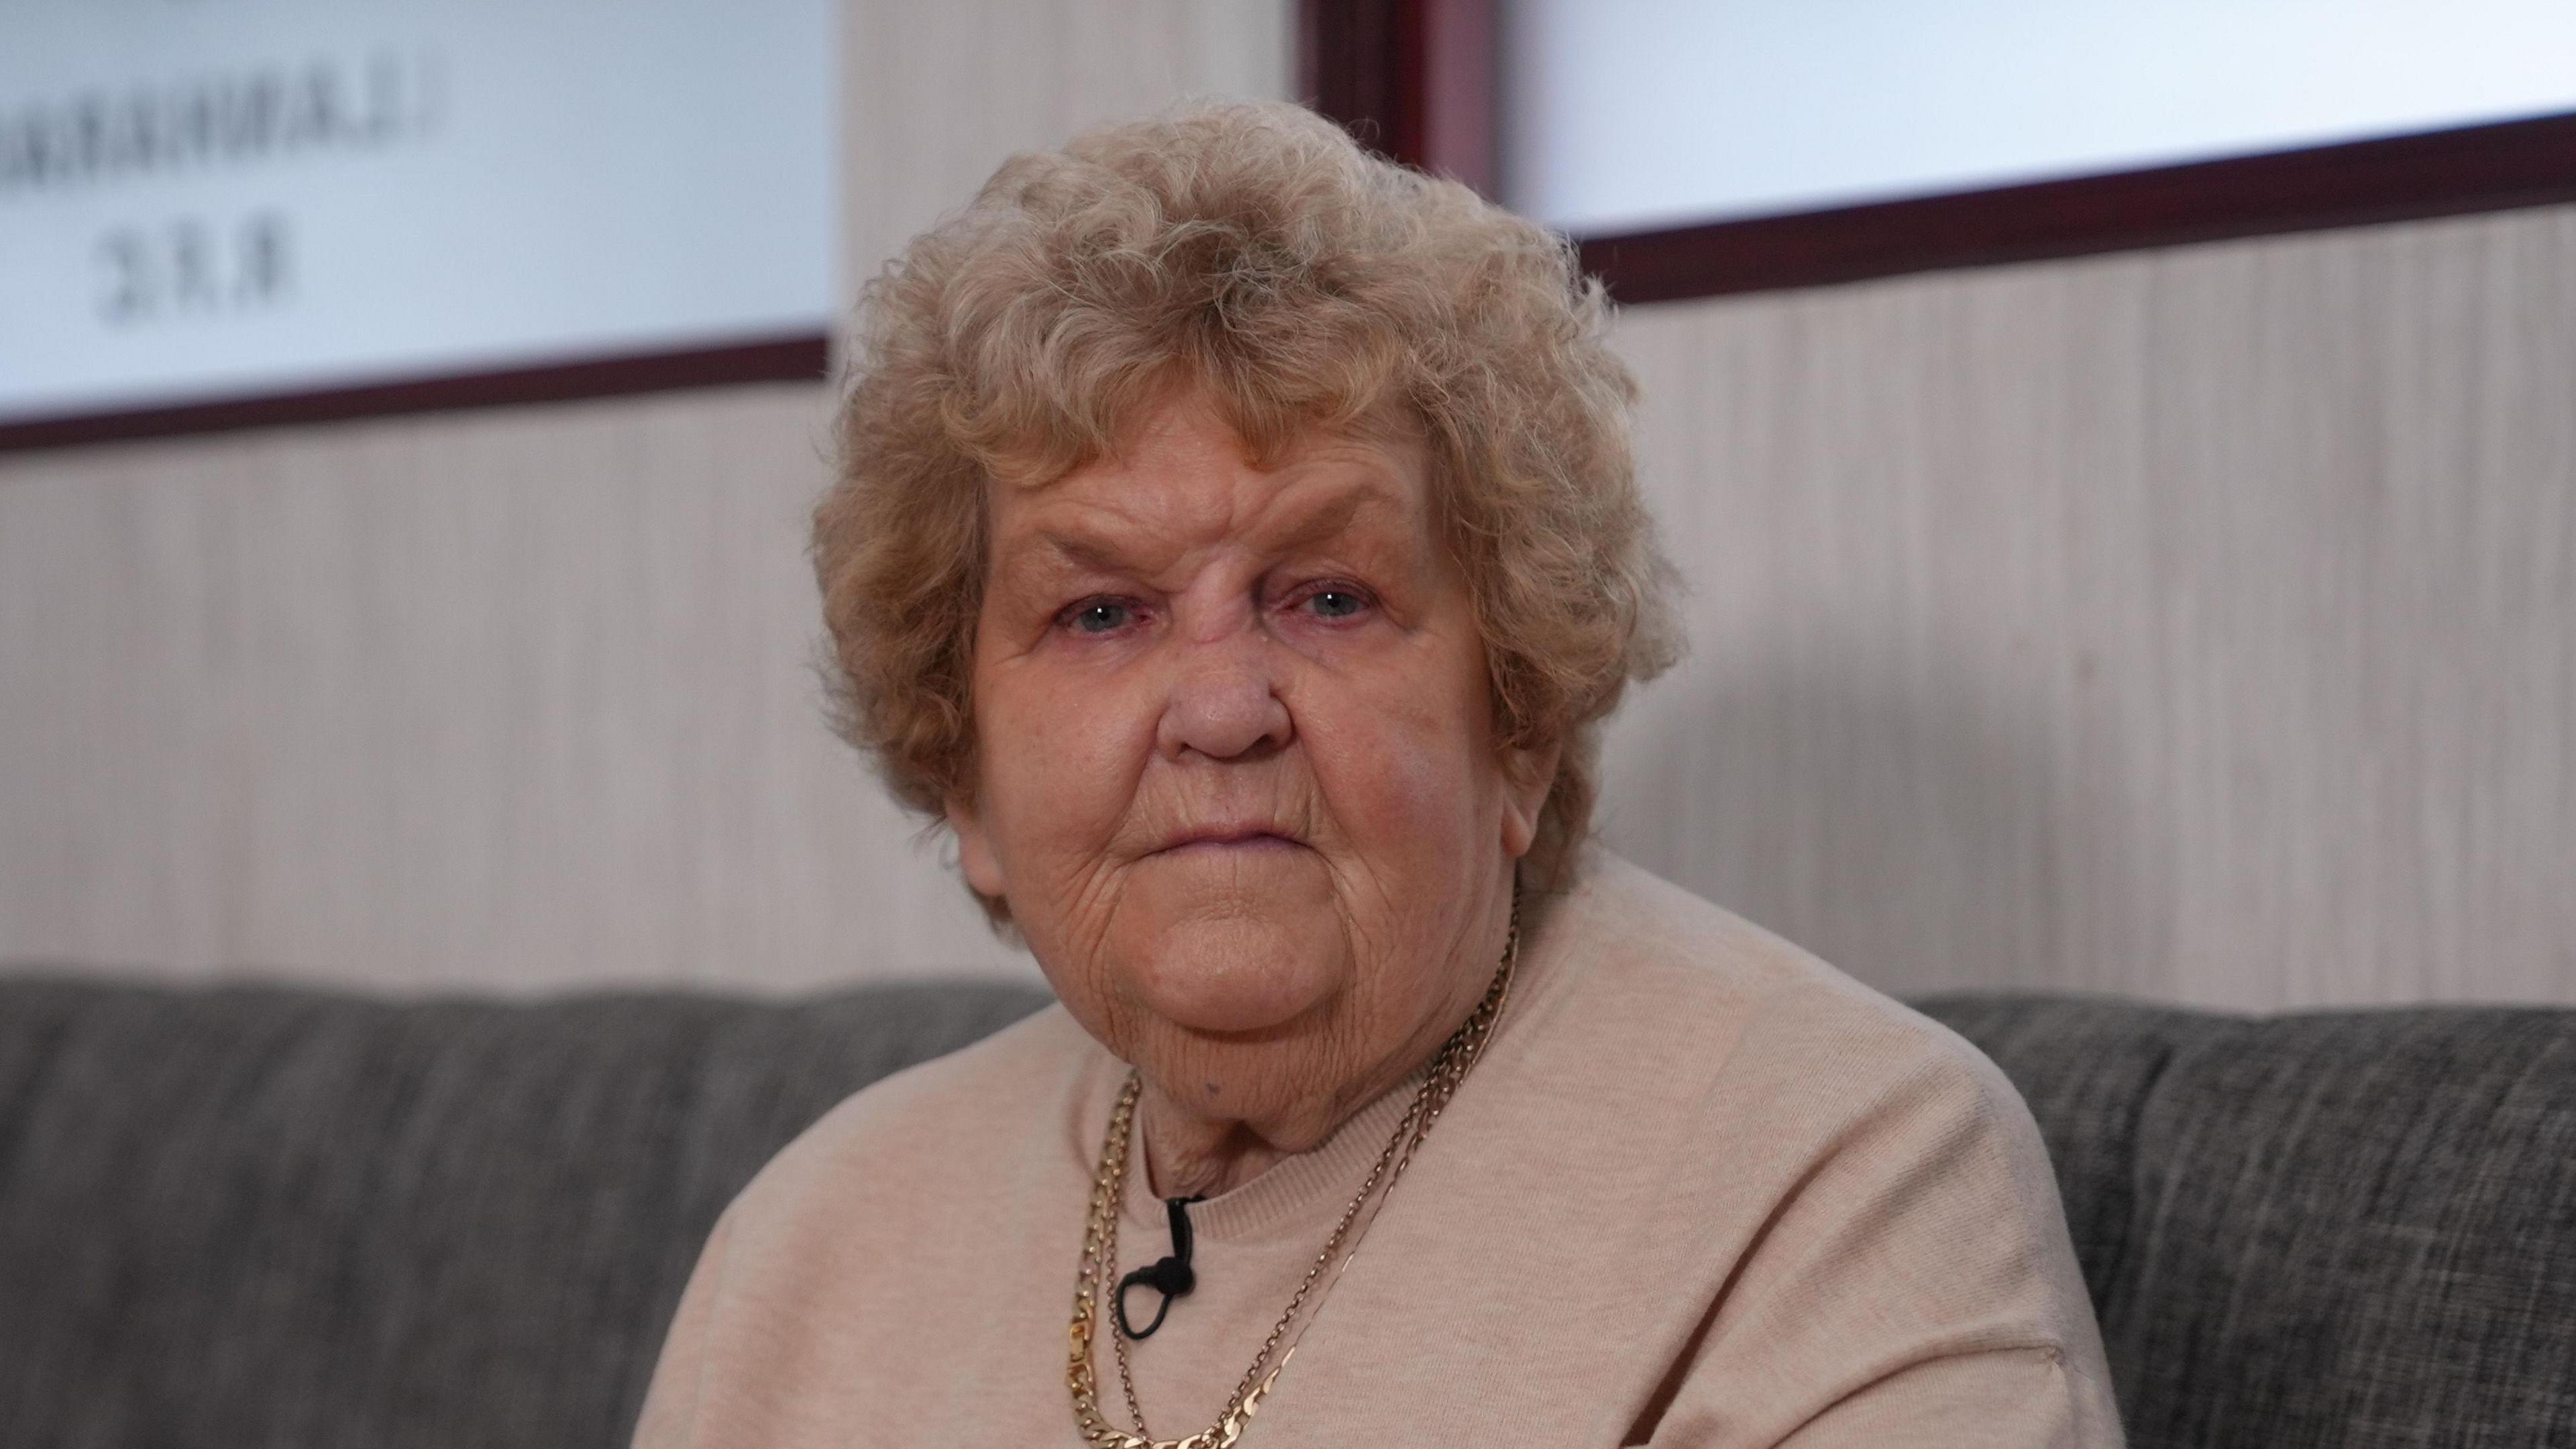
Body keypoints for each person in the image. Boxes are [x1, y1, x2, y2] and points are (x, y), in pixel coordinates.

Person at [633, 100, 2122, 1448]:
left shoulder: (1845, 1181)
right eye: (1100, 612)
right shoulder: (814, 1252)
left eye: (1327, 597)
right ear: (964, 783)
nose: (1221, 707)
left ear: (1517, 718)